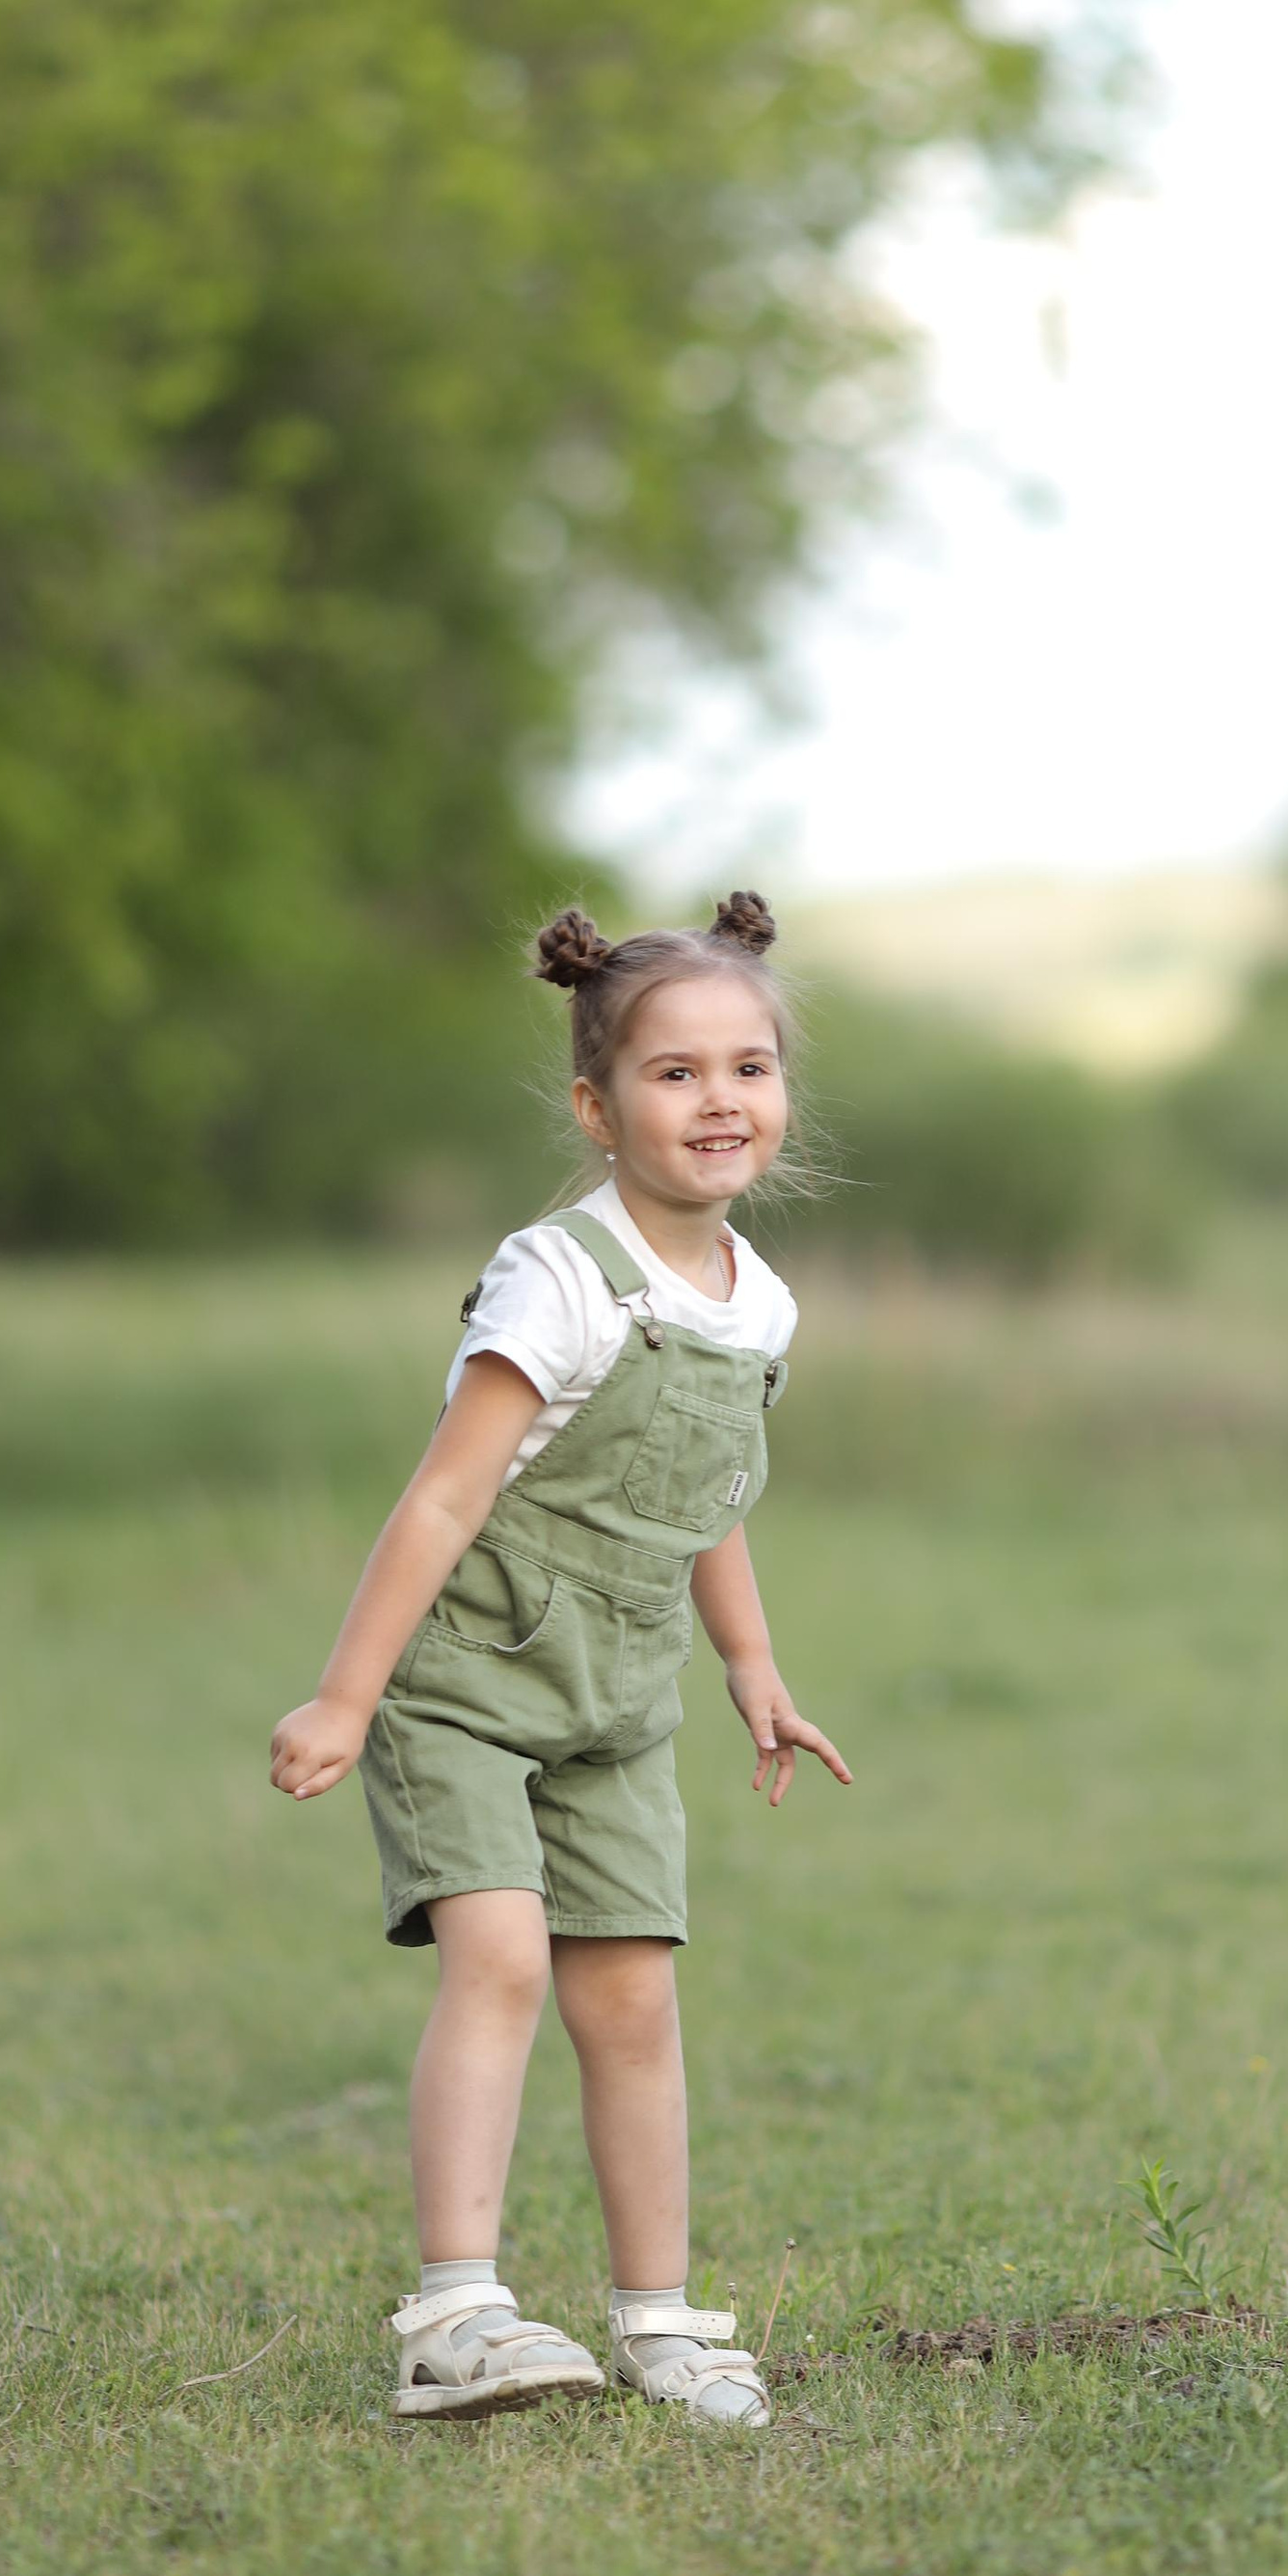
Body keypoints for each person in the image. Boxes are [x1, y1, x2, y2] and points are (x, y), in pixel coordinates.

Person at [269, 889, 848, 2430]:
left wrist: (753, 1666)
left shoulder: (759, 1302)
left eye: (750, 1068)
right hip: (465, 1684)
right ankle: (457, 2316)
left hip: (618, 1703)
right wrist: (346, 1693)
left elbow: (704, 1493)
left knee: (633, 1997)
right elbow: (447, 1492)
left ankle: (661, 2325)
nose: (720, 1100)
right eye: (675, 1073)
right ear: (599, 1108)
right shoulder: (560, 1279)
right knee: (505, 1960)